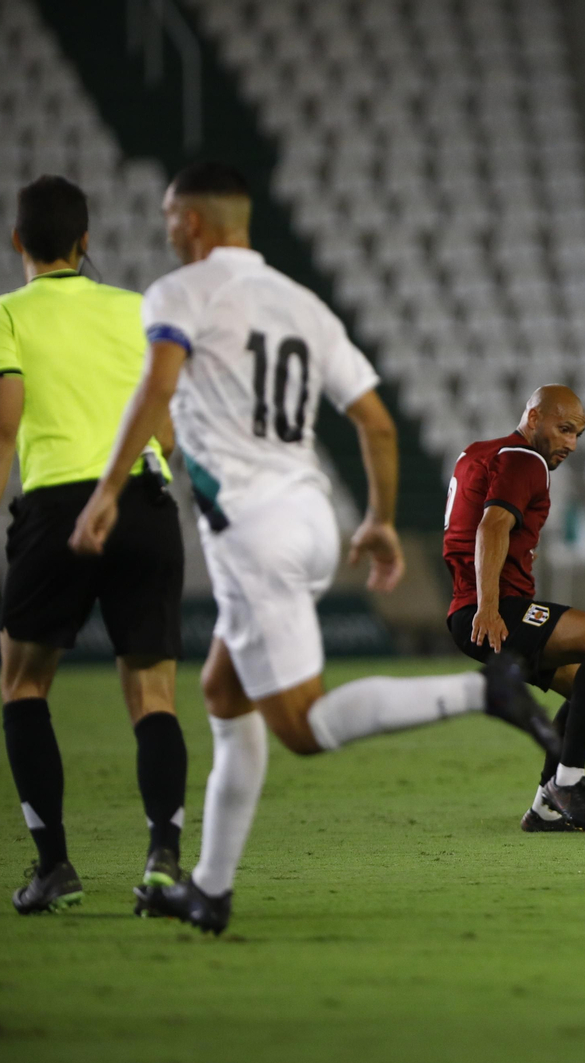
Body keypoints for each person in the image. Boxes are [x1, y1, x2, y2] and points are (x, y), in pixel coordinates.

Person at [69, 161, 554, 935]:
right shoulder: (302, 304)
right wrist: (380, 521)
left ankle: (483, 693)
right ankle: (209, 889)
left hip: (252, 532)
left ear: (189, 221)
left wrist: (105, 492)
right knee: (223, 694)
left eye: (168, 217)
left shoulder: (178, 293)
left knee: (302, 725)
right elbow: (377, 424)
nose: (166, 229)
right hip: (311, 517)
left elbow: (156, 387)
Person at [0, 175, 188, 914]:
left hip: (56, 511)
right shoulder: (138, 309)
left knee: (23, 685)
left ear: (18, 240)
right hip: (143, 502)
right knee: (153, 693)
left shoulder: (5, 315)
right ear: (86, 241)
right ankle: (163, 861)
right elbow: (165, 429)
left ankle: (54, 869)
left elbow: (3, 429)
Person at [444, 385, 585, 838]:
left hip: (468, 609)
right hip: (495, 610)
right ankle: (568, 782)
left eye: (577, 434)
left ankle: (544, 810)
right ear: (533, 418)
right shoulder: (525, 459)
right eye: (564, 429)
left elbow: (469, 525)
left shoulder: (478, 453)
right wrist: (489, 607)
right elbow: (491, 526)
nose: (571, 444)